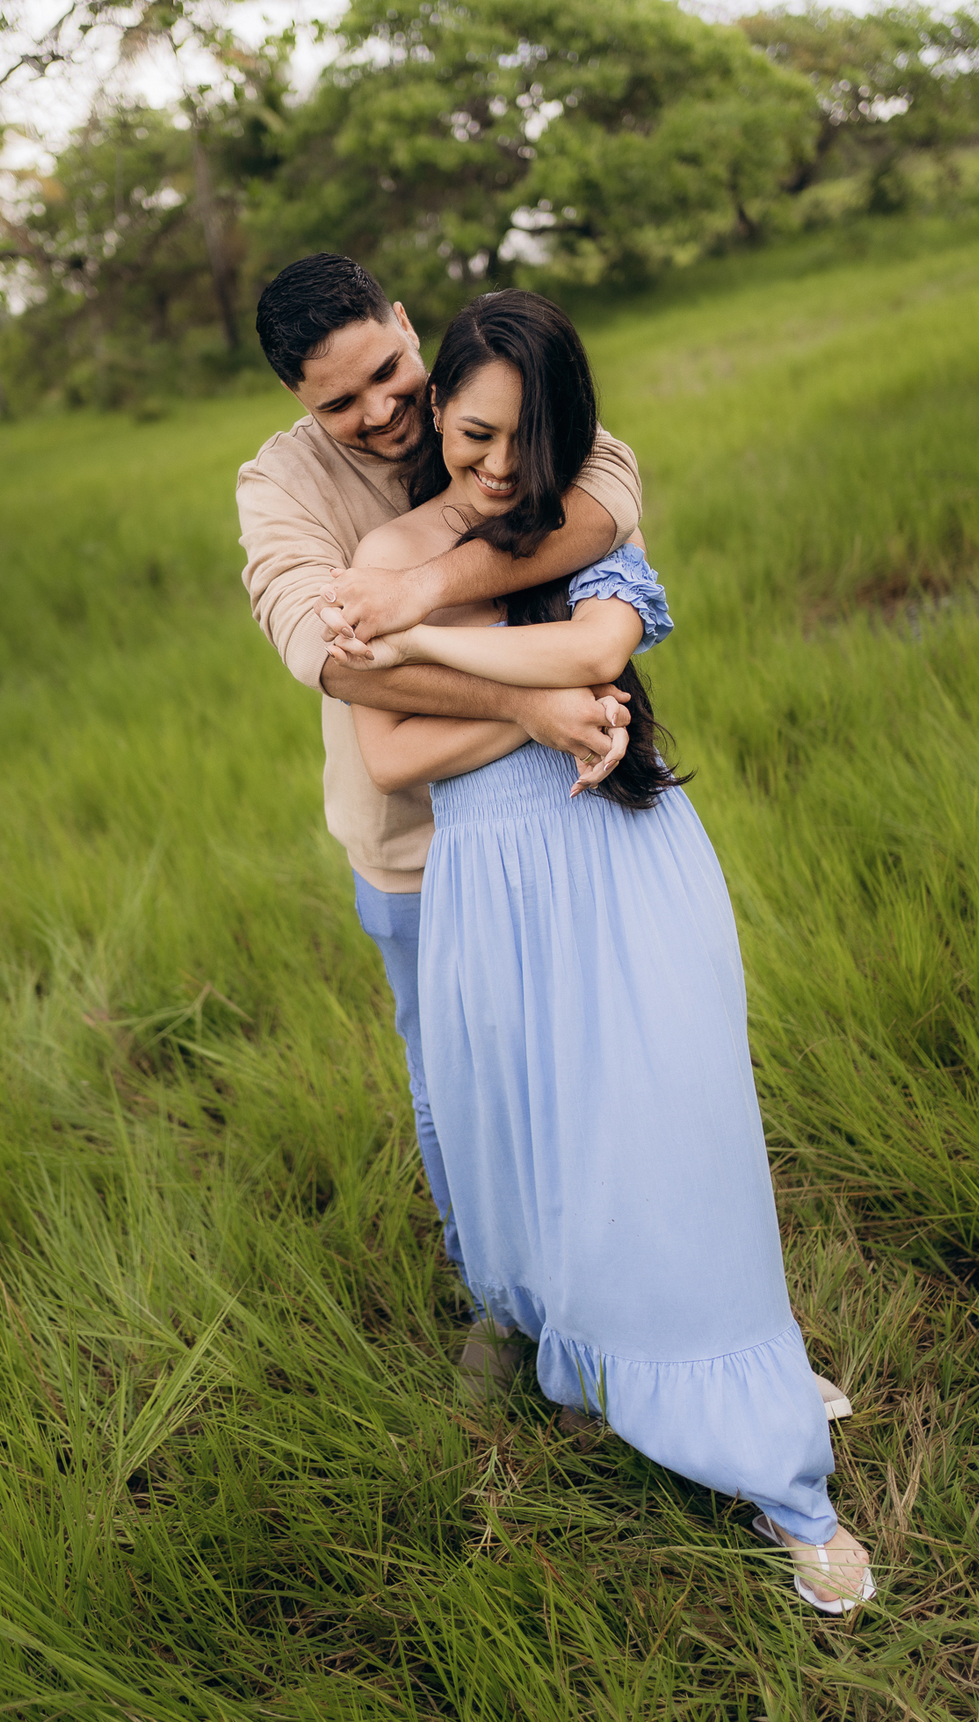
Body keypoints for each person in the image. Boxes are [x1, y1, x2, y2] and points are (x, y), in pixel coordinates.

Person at [316, 288, 875, 1617]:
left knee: (675, 1133)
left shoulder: (587, 515)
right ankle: (617, 1361)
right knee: (548, 1147)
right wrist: (536, 708)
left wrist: (455, 654)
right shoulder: (389, 546)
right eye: (474, 433)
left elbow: (602, 648)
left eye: (529, 436)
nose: (502, 466)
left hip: (621, 861)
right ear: (437, 410)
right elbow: (390, 748)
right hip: (490, 884)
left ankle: (778, 1463)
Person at [239, 253, 643, 1272]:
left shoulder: (479, 392)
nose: (381, 411)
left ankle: (602, 1273)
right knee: (458, 1087)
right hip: (415, 848)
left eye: (387, 370)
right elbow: (328, 655)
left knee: (588, 1062)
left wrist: (420, 592)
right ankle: (495, 1301)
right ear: (299, 399)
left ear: (407, 323)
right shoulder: (281, 483)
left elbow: (605, 495)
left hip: (564, 812)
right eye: (341, 401)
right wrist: (526, 701)